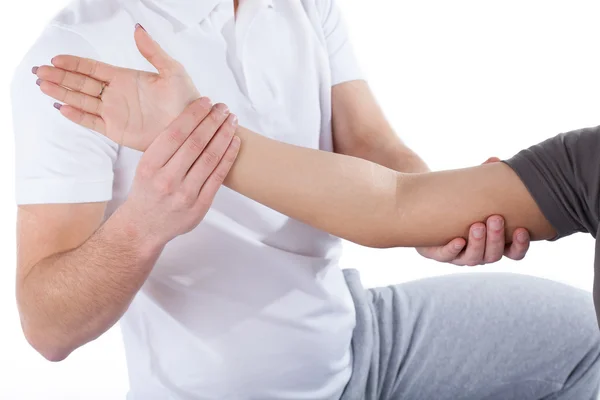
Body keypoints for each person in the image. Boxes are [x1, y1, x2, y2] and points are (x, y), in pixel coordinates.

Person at [12, 1, 600, 399]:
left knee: (583, 342)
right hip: (231, 387)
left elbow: (371, 146)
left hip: (356, 342)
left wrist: (438, 214)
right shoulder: (77, 57)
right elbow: (46, 329)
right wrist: (143, 224)